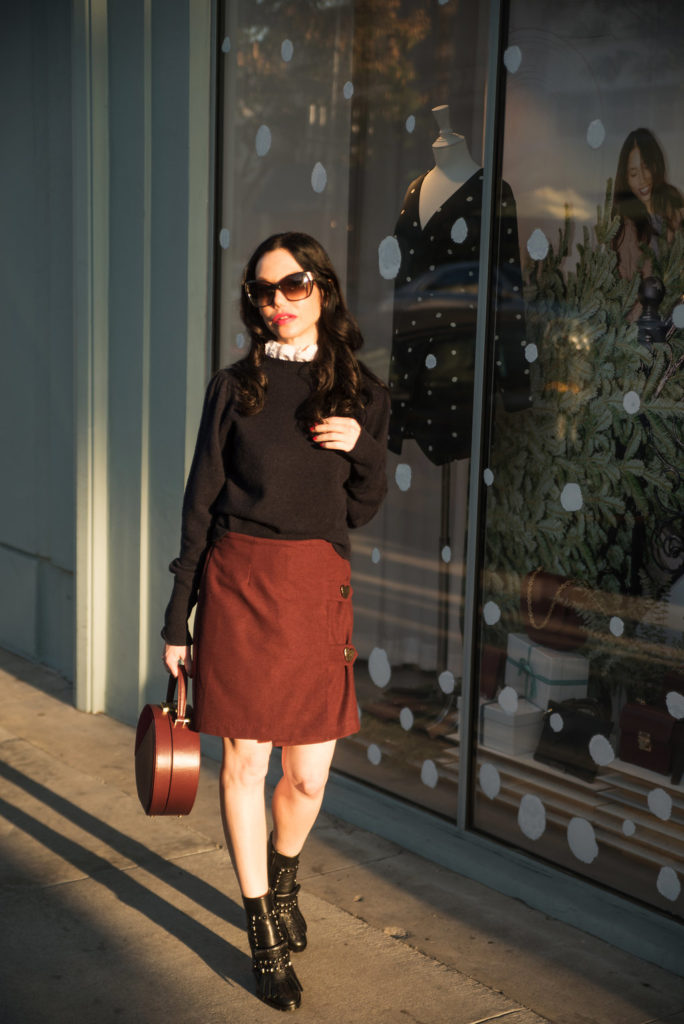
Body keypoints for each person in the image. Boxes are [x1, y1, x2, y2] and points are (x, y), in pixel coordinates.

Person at [161, 231, 390, 1012]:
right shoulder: (236, 387)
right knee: (245, 768)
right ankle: (261, 929)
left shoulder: (362, 393)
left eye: (293, 286)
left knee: (307, 774)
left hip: (315, 587)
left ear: (322, 288)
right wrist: (176, 622)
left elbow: (359, 507)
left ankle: (285, 877)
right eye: (263, 291)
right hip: (237, 586)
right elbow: (199, 507)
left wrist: (366, 450)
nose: (278, 303)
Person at [612, 127, 684, 285]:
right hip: (646, 308)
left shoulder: (674, 206)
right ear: (626, 179)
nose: (642, 179)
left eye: (646, 168)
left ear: (656, 165)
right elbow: (623, 290)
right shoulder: (624, 227)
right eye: (633, 173)